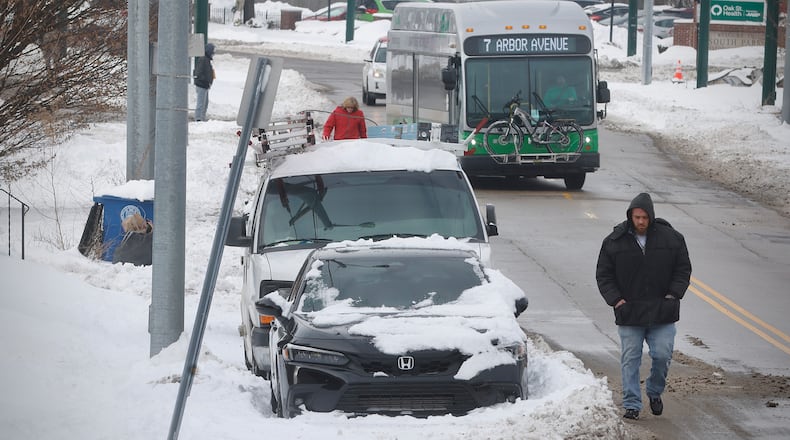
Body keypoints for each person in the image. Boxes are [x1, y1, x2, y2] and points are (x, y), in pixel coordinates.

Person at [596, 192, 692, 421]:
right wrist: (617, 301)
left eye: (644, 217)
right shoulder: (614, 242)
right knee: (630, 359)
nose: (640, 222)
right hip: (630, 313)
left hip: (662, 312)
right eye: (636, 217)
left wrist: (673, 295)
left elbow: (683, 269)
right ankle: (631, 404)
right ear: (630, 216)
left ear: (651, 217)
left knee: (662, 355)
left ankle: (654, 391)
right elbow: (604, 275)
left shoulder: (672, 239)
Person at [194, 43, 215, 122]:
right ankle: (198, 118)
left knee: (204, 103)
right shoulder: (203, 59)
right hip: (202, 85)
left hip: (205, 85)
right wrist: (205, 80)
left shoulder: (207, 60)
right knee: (201, 103)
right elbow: (198, 73)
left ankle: (201, 118)